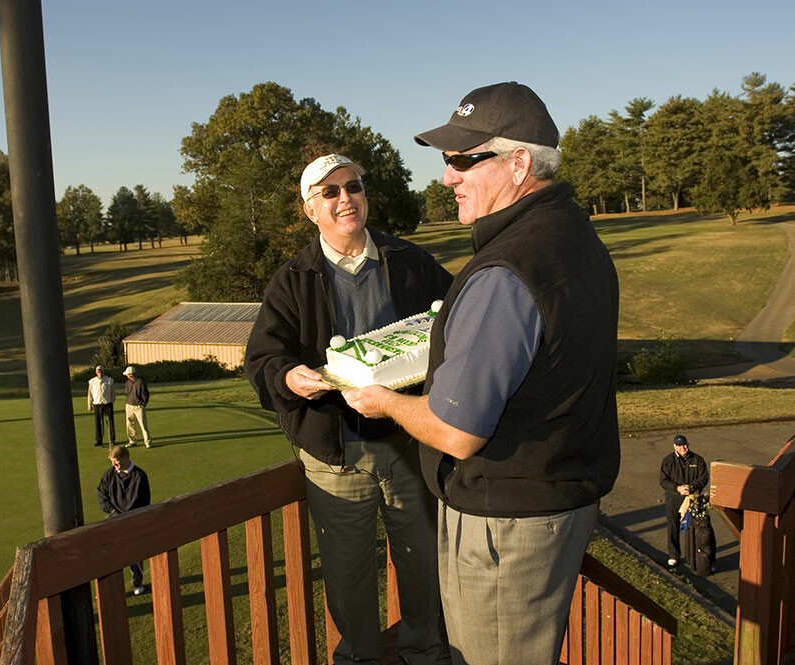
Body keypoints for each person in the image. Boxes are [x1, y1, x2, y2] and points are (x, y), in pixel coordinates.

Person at [343, 83, 620, 665]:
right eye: (447, 160)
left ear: (519, 163)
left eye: (465, 159)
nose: (448, 176)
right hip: (558, 501)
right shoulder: (575, 237)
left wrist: (385, 401)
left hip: (507, 527)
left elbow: (455, 430)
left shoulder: (504, 272)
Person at [245, 154, 452, 665]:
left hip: (409, 443)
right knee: (348, 575)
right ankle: (359, 659)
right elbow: (264, 356)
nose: (345, 199)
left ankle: (425, 652)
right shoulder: (293, 279)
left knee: (423, 563)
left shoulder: (410, 261)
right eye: (329, 192)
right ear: (310, 208)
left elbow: (457, 321)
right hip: (337, 458)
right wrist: (289, 377)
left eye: (352, 187)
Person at [97, 445, 151, 594]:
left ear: (126, 458)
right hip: (114, 518)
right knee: (108, 553)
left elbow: (144, 502)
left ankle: (137, 583)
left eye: (117, 462)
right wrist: (112, 511)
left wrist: (130, 517)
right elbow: (102, 496)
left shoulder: (140, 476)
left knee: (135, 553)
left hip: (133, 519)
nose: (114, 465)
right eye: (112, 462)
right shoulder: (108, 475)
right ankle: (110, 587)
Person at [659, 434, 709, 567]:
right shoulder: (668, 461)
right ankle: (674, 555)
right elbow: (663, 481)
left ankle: (693, 555)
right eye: (680, 446)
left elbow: (704, 477)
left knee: (693, 527)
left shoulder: (697, 460)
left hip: (692, 498)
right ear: (675, 446)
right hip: (674, 498)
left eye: (685, 445)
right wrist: (678, 488)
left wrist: (692, 487)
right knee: (673, 526)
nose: (683, 448)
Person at [87, 365, 116, 447]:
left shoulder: (109, 380)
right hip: (97, 404)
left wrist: (111, 401)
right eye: (98, 372)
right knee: (98, 423)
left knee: (110, 422)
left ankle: (112, 439)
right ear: (96, 372)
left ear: (104, 372)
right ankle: (98, 440)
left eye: (101, 372)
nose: (100, 373)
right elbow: (90, 394)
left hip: (107, 404)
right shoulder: (92, 382)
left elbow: (113, 393)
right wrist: (89, 404)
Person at [123, 366, 152, 448]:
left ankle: (147, 442)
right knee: (130, 424)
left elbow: (145, 395)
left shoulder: (140, 382)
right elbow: (127, 393)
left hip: (139, 406)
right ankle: (132, 441)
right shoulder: (127, 383)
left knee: (143, 425)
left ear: (130, 374)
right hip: (129, 405)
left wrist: (143, 404)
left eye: (127, 374)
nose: (126, 376)